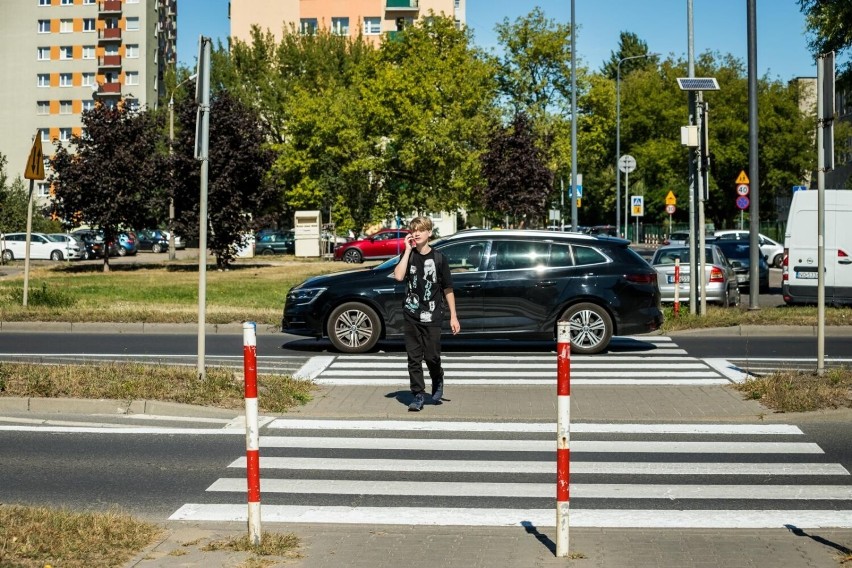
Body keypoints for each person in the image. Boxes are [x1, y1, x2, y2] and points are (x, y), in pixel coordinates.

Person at [393, 216, 460, 411]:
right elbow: (398, 276)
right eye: (413, 230)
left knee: (431, 356)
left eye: (421, 230)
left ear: (429, 233)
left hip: (432, 315)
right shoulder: (410, 256)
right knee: (414, 357)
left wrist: (453, 316)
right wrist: (406, 251)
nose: (416, 233)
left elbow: (448, 289)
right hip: (411, 314)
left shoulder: (439, 259)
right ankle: (418, 395)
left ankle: (437, 377)